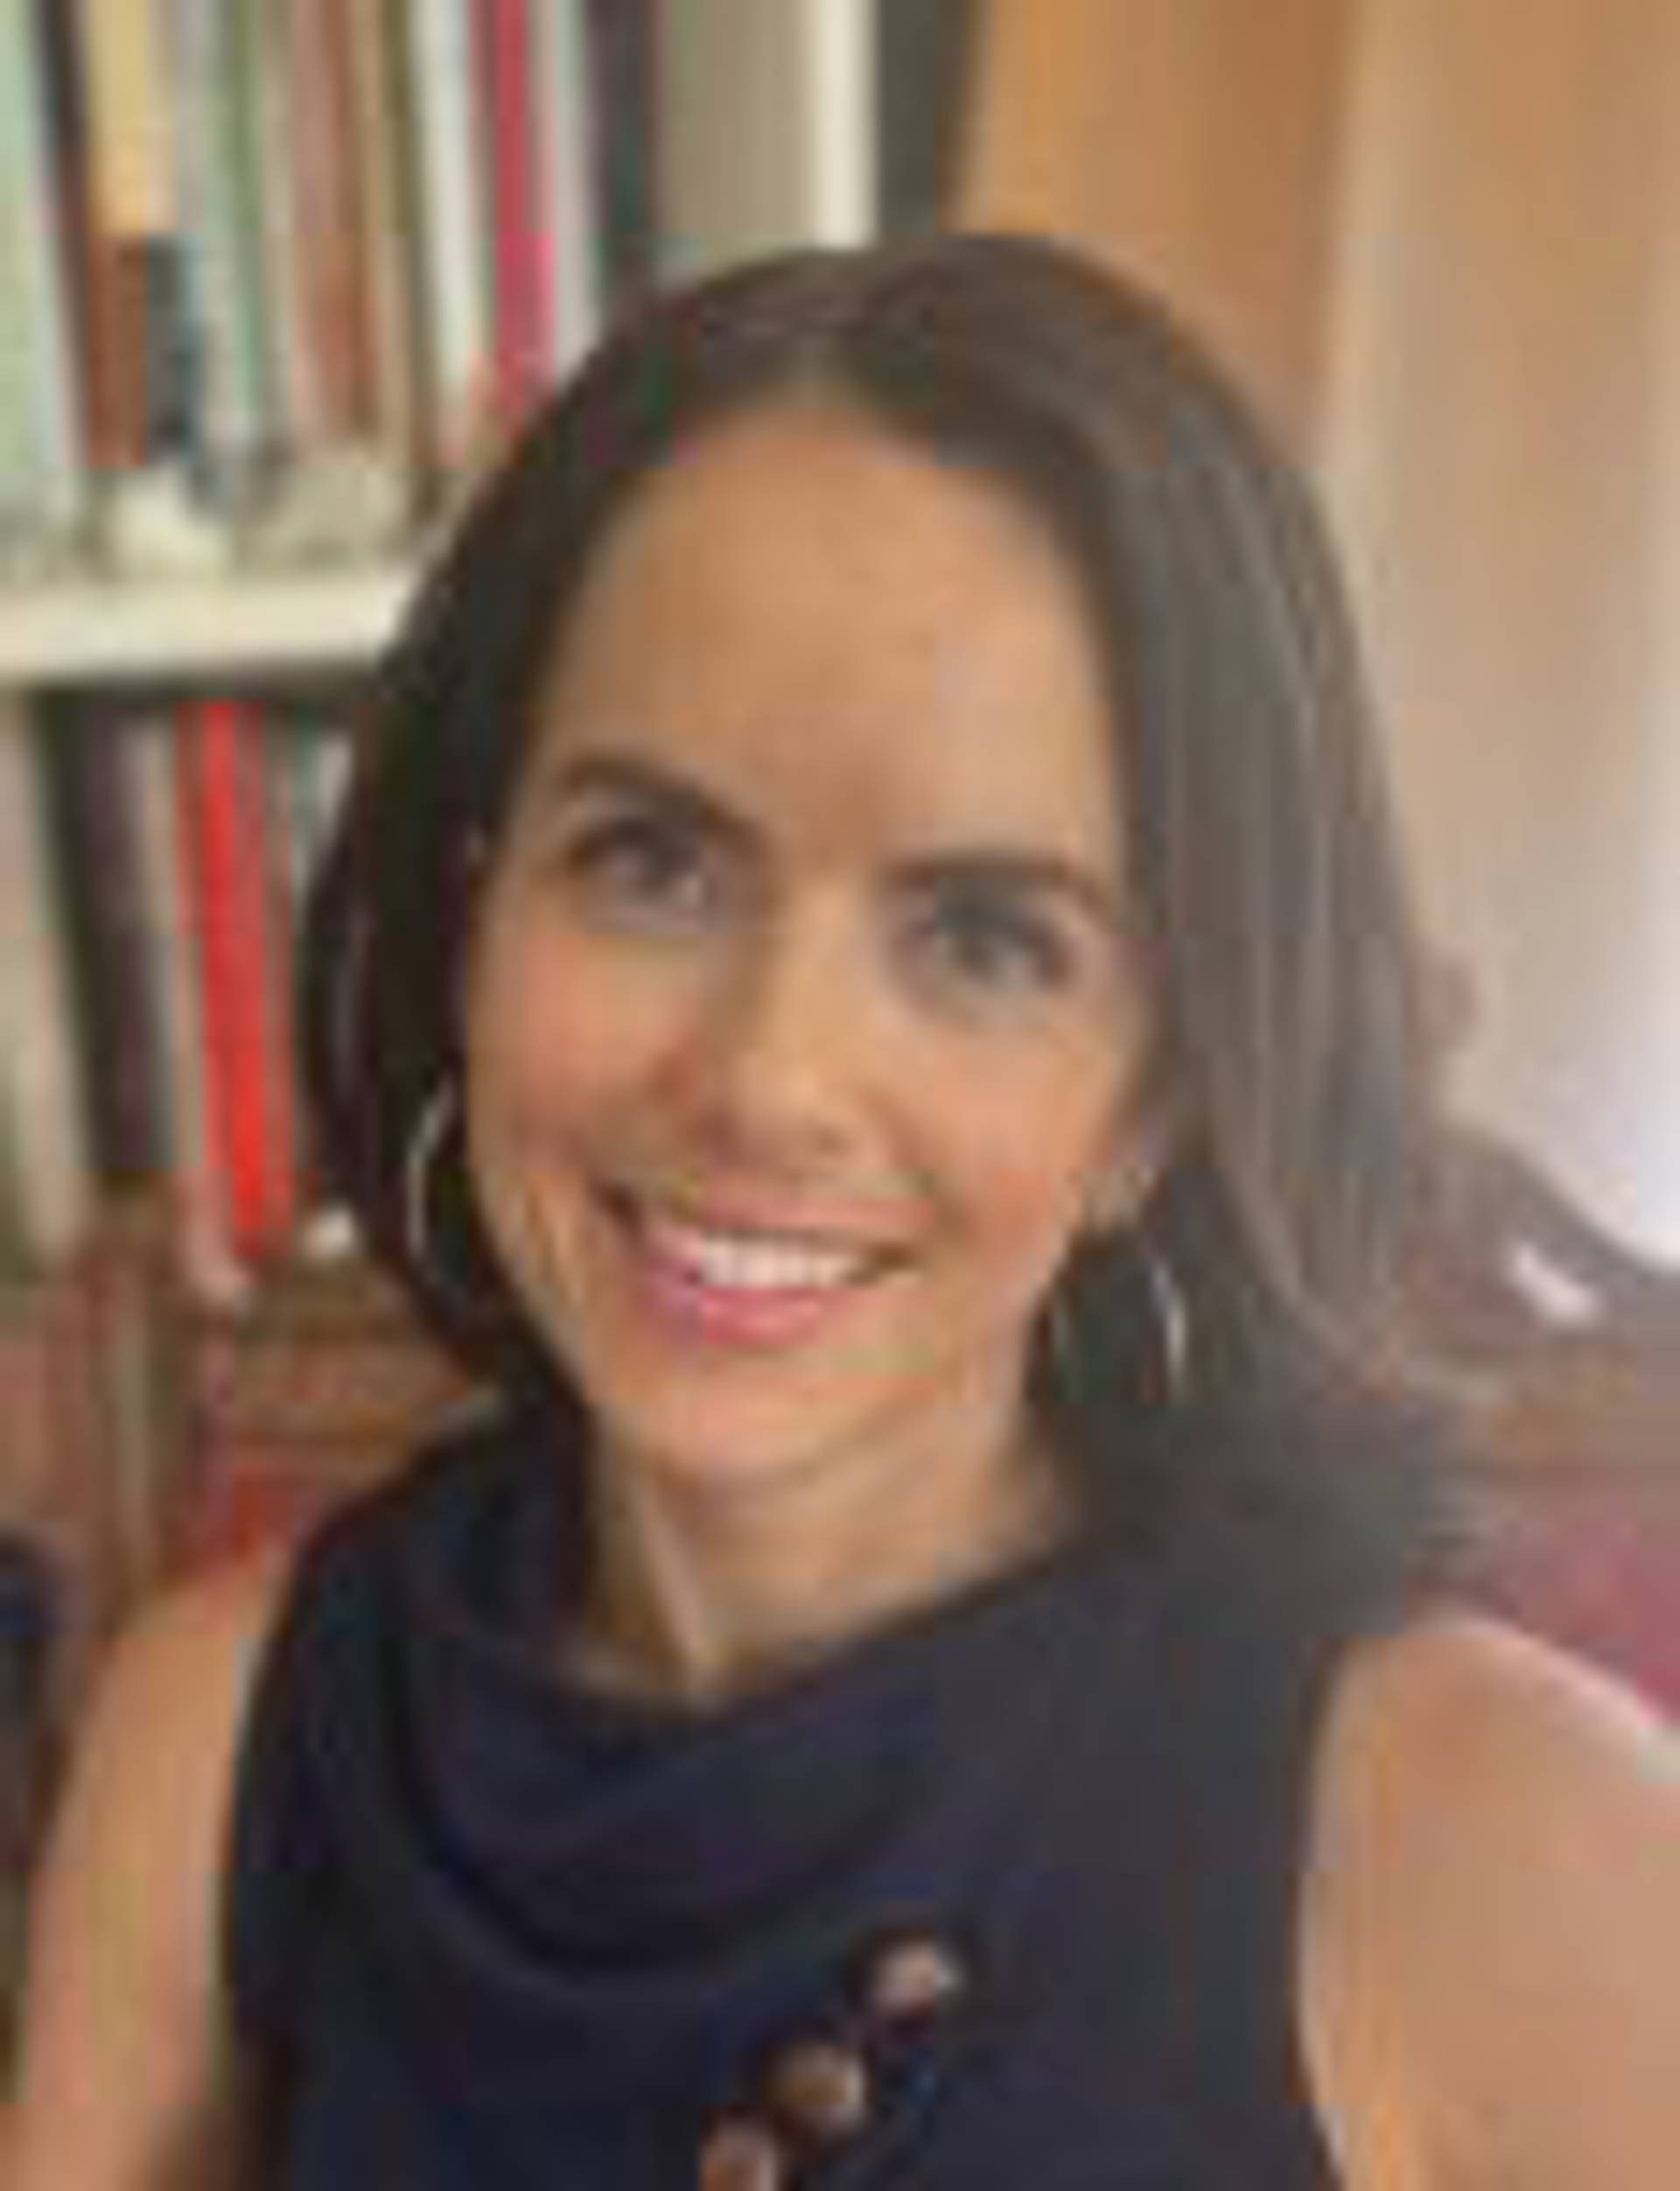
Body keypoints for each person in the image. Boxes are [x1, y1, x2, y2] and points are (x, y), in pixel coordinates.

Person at [9, 234, 1676, 2189]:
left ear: (1156, 1098)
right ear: (474, 913)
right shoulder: (219, 1735)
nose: (765, 1083)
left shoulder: (1511, 1841)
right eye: (649, 859)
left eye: (985, 935)